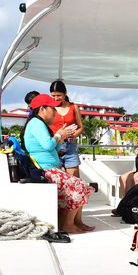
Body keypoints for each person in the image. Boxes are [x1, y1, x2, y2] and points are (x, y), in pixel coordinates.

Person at [21, 94, 94, 234]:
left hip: (50, 169)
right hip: (45, 170)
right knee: (80, 186)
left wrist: (61, 139)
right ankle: (67, 224)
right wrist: (59, 135)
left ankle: (73, 222)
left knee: (80, 185)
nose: (55, 111)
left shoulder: (39, 124)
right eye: (52, 108)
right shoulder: (36, 123)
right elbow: (48, 144)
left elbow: (52, 147)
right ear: (42, 109)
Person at [49, 80, 83, 178]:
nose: (56, 99)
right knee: (56, 182)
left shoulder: (73, 107)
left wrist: (75, 135)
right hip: (54, 147)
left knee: (74, 182)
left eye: (59, 95)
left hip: (70, 147)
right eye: (53, 96)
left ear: (65, 93)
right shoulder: (49, 108)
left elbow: (80, 127)